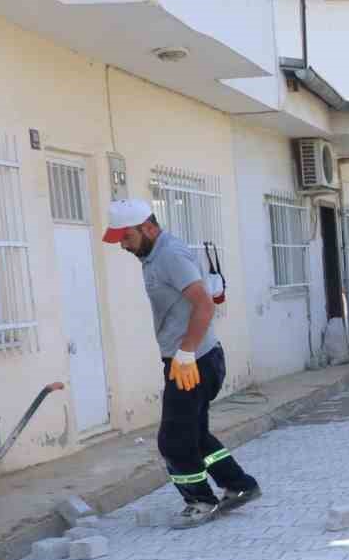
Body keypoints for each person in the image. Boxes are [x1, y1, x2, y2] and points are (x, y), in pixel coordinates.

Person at [103, 198, 261, 529]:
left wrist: (186, 352)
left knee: (173, 440)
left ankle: (201, 501)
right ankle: (239, 484)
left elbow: (203, 304)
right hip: (187, 360)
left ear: (147, 227)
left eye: (126, 237)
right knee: (195, 433)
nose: (123, 245)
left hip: (193, 362)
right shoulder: (152, 255)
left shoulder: (170, 254)